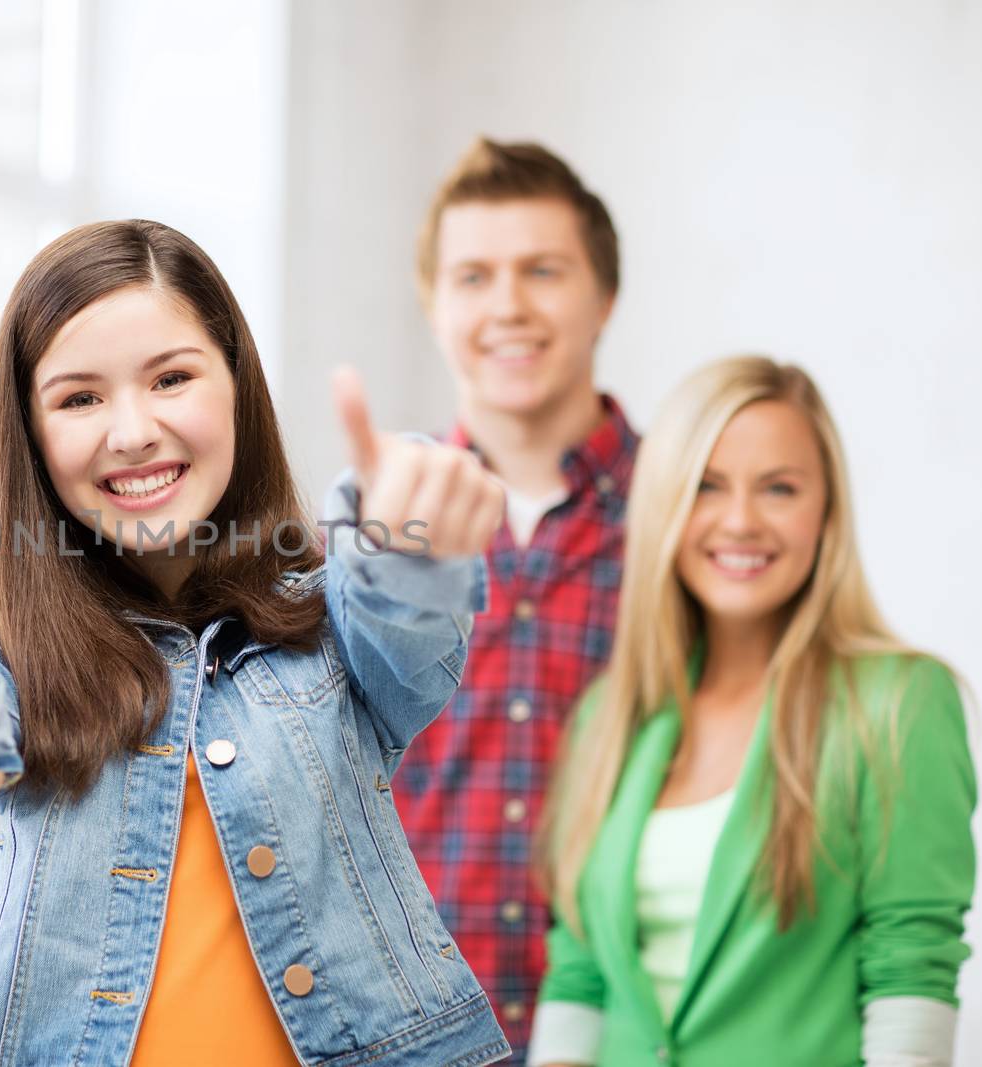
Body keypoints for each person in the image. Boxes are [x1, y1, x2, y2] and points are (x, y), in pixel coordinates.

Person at [0, 219, 514, 1066]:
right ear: (32, 439)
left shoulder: (329, 622)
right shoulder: (24, 656)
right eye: (80, 398)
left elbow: (406, 622)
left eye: (172, 378)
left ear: (234, 385)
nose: (133, 430)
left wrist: (411, 538)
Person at [528, 357, 976, 1067]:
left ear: (826, 510)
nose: (740, 520)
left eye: (779, 488)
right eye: (707, 485)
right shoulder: (608, 717)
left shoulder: (900, 701)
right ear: (664, 504)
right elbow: (579, 971)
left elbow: (910, 967)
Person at [392, 136, 638, 1057]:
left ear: (603, 296)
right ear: (434, 303)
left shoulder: (694, 523)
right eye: (474, 276)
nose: (509, 307)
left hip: (637, 1024)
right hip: (413, 1029)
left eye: (543, 270)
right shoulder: (377, 526)